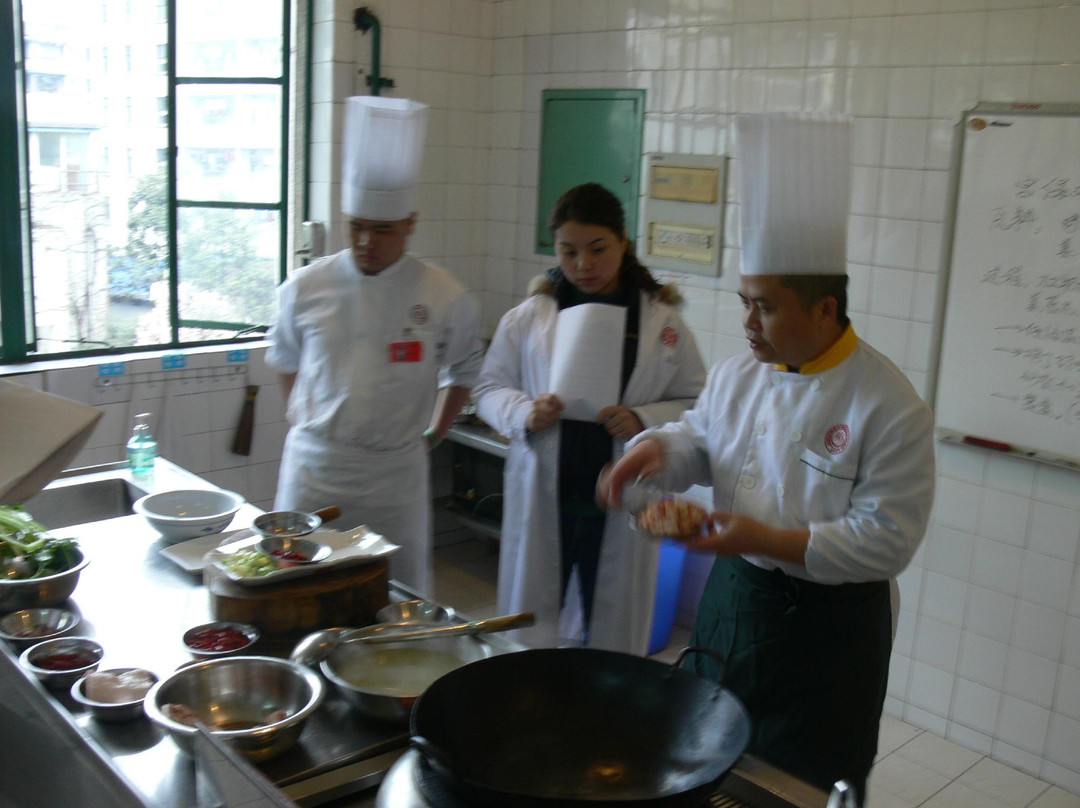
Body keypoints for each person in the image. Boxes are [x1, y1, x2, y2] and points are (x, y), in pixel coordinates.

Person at [598, 113, 936, 799]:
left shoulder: (886, 403)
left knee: (800, 787)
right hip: (734, 603)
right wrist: (652, 452)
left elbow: (888, 540)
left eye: (766, 307)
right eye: (744, 303)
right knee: (702, 761)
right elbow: (701, 440)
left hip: (828, 633)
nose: (748, 323)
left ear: (825, 309)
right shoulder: (739, 373)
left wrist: (768, 538)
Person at [474, 182, 706, 653]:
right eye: (568, 251)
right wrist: (525, 411)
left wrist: (642, 417)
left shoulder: (662, 324)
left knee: (612, 640)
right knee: (530, 634)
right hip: (547, 497)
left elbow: (697, 404)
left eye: (598, 249)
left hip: (620, 503)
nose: (583, 264)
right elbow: (488, 388)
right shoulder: (530, 318)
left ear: (623, 240)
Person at [265, 96, 483, 597]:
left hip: (395, 476)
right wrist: (309, 423)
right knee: (301, 590)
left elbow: (465, 369)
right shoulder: (305, 287)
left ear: (410, 222)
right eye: (357, 227)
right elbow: (284, 360)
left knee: (393, 596)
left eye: (382, 229)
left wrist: (433, 433)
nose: (366, 241)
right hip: (315, 469)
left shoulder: (443, 294)